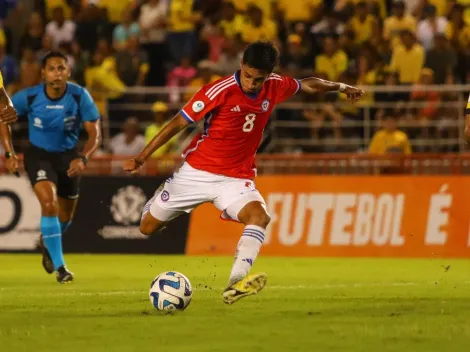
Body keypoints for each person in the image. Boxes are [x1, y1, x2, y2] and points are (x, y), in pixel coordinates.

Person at [123, 41, 364, 304]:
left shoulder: (274, 85)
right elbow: (179, 122)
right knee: (147, 228)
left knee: (259, 217)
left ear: (269, 74)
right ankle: (162, 194)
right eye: (247, 76)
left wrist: (341, 87)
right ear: (241, 66)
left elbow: (308, 84)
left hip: (236, 178)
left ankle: (235, 283)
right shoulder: (219, 90)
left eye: (258, 79)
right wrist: (142, 157)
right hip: (196, 173)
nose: (251, 83)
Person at [0, 51, 101, 283]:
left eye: (61, 68)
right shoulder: (30, 96)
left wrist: (83, 158)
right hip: (39, 156)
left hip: (68, 158)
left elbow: (95, 133)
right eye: (52, 69)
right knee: (49, 202)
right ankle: (61, 268)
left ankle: (47, 242)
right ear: (43, 73)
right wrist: (9, 153)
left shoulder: (79, 96)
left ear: (68, 71)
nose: (57, 73)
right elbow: (3, 117)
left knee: (65, 216)